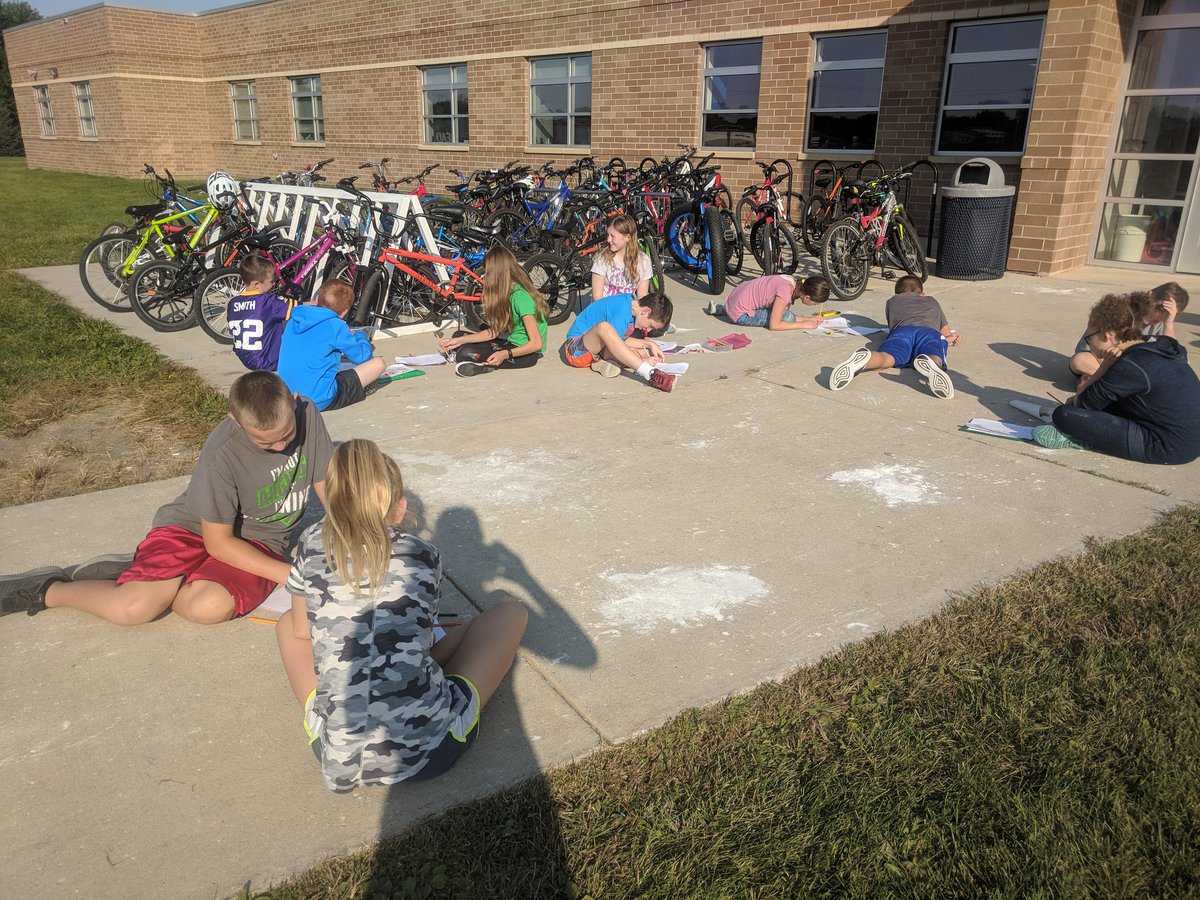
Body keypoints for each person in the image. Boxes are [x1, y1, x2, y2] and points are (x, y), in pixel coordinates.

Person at [276, 439, 527, 792]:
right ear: (400, 507)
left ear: (330, 501)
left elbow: (302, 629)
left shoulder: (310, 542)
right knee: (509, 613)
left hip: (335, 753)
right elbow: (423, 646)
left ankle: (330, 715)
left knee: (288, 623)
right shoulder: (422, 555)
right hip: (431, 751)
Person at [0, 371, 334, 624]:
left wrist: (354, 530)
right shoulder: (223, 450)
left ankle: (161, 576)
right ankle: (47, 588)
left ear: (293, 399)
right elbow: (218, 543)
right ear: (235, 420)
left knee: (206, 608)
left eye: (286, 436)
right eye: (266, 444)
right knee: (133, 609)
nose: (281, 447)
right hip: (194, 530)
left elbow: (325, 482)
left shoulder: (307, 413)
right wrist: (291, 576)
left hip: (258, 540)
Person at [1034, 291, 1200, 464]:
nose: (1089, 345)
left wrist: (1104, 366)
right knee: (1101, 405)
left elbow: (1081, 405)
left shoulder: (1131, 364)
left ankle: (1081, 440)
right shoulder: (1154, 345)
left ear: (1107, 334)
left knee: (1064, 415)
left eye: (1090, 338)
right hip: (1189, 438)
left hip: (1166, 445)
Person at [828, 275, 961, 399]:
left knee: (888, 357)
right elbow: (946, 332)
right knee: (933, 351)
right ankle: (932, 362)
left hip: (901, 333)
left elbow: (894, 324)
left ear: (897, 294)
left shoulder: (892, 302)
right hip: (928, 333)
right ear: (922, 294)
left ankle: (867, 360)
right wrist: (949, 338)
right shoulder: (931, 301)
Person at [437, 245, 548, 377]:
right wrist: (460, 341)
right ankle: (472, 359)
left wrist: (504, 354)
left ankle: (479, 363)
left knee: (465, 352)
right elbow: (495, 331)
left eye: (487, 272)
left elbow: (536, 344)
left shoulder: (521, 297)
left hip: (526, 354)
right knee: (458, 336)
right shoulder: (509, 292)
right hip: (511, 344)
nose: (485, 277)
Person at [276, 280, 386, 411]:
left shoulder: (294, 319)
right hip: (319, 399)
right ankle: (362, 388)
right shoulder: (335, 326)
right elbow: (362, 357)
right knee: (379, 363)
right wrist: (361, 336)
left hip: (287, 396)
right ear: (344, 312)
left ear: (317, 299)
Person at [1068, 282, 1188, 381]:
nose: (1157, 317)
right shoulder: (1121, 309)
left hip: (1133, 368)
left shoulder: (1162, 323)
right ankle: (1109, 382)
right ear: (1148, 296)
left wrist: (1168, 324)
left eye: (1165, 316)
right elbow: (1091, 347)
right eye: (1158, 308)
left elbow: (1172, 357)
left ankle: (1106, 382)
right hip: (1103, 361)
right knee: (1080, 360)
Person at [560, 291, 677, 392]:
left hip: (593, 349)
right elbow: (614, 345)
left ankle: (607, 363)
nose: (648, 330)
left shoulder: (629, 304)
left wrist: (650, 344)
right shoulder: (621, 311)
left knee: (643, 351)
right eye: (650, 325)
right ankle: (649, 373)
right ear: (646, 311)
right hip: (575, 350)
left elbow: (619, 340)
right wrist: (642, 360)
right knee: (604, 327)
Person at [227, 253, 294, 372]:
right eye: (272, 280)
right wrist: (319, 302)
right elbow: (299, 308)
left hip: (245, 358)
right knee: (295, 320)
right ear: (256, 284)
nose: (274, 283)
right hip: (269, 361)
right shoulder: (267, 302)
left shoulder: (232, 303)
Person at [710, 274, 830, 330]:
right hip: (740, 315)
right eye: (815, 303)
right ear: (807, 297)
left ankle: (723, 308)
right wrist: (804, 324)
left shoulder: (791, 281)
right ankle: (728, 311)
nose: (816, 305)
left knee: (781, 313)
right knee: (785, 317)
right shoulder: (785, 291)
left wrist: (809, 319)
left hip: (734, 300)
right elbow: (775, 325)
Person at [591, 213, 653, 301]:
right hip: (605, 309)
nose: (608, 240)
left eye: (613, 236)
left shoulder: (643, 261)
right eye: (608, 235)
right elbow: (597, 297)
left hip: (628, 309)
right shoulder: (602, 259)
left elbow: (642, 295)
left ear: (627, 237)